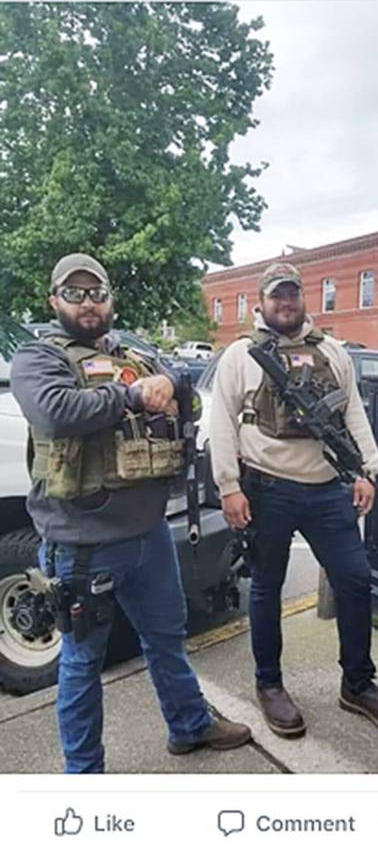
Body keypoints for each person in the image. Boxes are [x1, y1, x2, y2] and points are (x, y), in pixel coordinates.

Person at [11, 252, 251, 773]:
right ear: (55, 301)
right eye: (73, 293)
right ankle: (85, 775)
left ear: (110, 298)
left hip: (149, 535)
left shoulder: (133, 353)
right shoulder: (39, 357)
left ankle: (189, 726)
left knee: (167, 636)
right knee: (81, 663)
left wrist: (174, 387)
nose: (88, 302)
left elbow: (186, 402)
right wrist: (134, 394)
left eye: (96, 292)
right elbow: (56, 409)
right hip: (82, 544)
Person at [209, 261, 378, 738]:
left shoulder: (333, 352)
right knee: (265, 588)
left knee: (356, 580)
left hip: (326, 488)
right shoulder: (242, 355)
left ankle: (358, 684)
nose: (285, 303)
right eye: (276, 295)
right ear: (261, 302)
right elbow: (221, 423)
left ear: (303, 299)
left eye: (292, 295)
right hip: (266, 487)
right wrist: (228, 486)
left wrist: (368, 470)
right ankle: (269, 685)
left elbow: (354, 413)